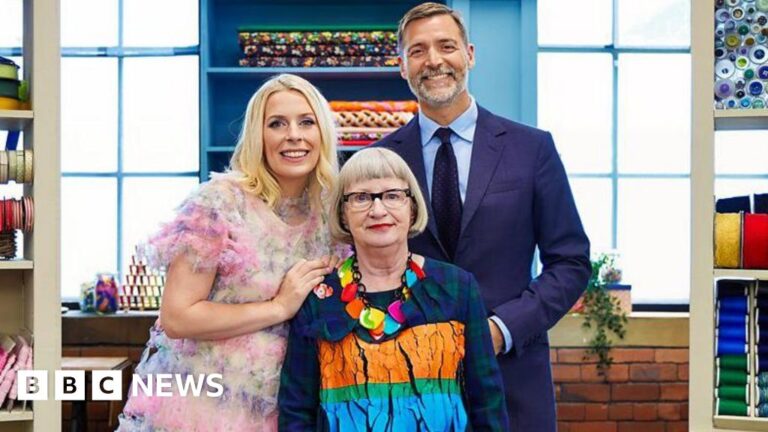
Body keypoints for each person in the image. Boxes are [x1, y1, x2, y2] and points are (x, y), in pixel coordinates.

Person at [374, 3, 592, 431]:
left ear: (469, 54)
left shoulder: (532, 149)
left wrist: (501, 329)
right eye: (417, 51)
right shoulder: (380, 159)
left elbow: (570, 262)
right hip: (407, 384)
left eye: (446, 46)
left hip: (512, 379)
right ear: (401, 66)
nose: (433, 60)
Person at [117, 74, 341, 431]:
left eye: (306, 122)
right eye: (277, 123)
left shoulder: (333, 214)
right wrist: (278, 307)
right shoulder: (219, 203)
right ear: (257, 136)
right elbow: (177, 318)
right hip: (205, 408)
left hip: (291, 409)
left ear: (323, 133)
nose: (293, 135)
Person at [278, 147, 509, 431]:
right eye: (361, 198)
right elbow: (296, 410)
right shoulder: (319, 296)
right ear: (343, 214)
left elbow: (487, 401)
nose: (378, 210)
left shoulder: (458, 287)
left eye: (392, 195)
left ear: (412, 208)